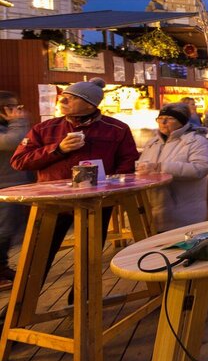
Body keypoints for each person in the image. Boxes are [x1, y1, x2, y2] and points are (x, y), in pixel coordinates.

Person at [10, 79, 139, 294]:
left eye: (73, 97)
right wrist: (57, 149)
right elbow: (19, 161)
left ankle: (82, 300)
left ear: (90, 104)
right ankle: (20, 303)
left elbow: (127, 162)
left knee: (91, 254)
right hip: (52, 202)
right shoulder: (45, 129)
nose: (64, 99)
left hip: (96, 201)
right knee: (38, 255)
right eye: (64, 95)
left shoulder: (116, 129)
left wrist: (111, 186)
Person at [136, 103, 208, 232]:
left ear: (182, 122)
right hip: (154, 211)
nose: (163, 122)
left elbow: (200, 168)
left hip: (183, 214)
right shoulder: (152, 143)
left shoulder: (196, 141)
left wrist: (160, 167)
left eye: (170, 118)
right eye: (160, 118)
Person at [0, 92, 33, 289]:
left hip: (12, 185)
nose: (17, 111)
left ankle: (2, 267)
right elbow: (12, 142)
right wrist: (19, 122)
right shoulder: (13, 127)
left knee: (10, 229)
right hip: (3, 187)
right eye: (11, 107)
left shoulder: (10, 126)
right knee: (3, 230)